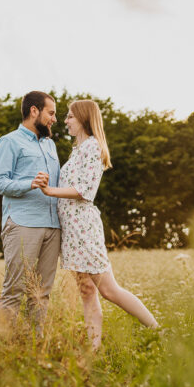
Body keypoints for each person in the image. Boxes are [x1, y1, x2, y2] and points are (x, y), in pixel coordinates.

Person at [40, 100, 158, 350]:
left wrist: (50, 191)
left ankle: (158, 332)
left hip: (84, 229)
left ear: (83, 119)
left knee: (109, 290)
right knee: (87, 291)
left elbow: (85, 190)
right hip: (72, 232)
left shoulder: (92, 147)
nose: (66, 121)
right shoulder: (77, 149)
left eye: (70, 116)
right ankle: (94, 351)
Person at [0, 91, 61, 331]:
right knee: (14, 289)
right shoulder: (9, 142)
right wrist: (29, 183)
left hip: (53, 226)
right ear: (34, 111)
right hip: (23, 224)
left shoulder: (50, 145)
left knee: (41, 293)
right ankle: (1, 348)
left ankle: (35, 348)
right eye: (51, 113)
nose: (54, 119)